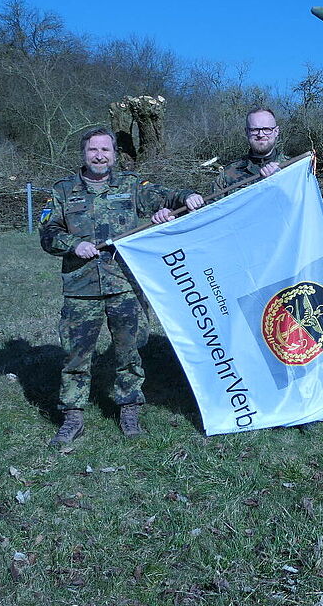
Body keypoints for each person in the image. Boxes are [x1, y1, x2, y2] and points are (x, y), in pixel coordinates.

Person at [40, 127, 204, 446]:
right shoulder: (63, 191)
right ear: (83, 153)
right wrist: (73, 245)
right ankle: (73, 416)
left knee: (130, 350)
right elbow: (47, 234)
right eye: (93, 150)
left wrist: (186, 197)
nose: (99, 156)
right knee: (76, 355)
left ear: (114, 154)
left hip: (124, 284)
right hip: (81, 287)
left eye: (106, 150)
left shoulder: (129, 186)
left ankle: (129, 408)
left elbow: (165, 196)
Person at [213, 107, 289, 193]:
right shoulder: (227, 174)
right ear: (246, 132)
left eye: (267, 129)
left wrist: (283, 180)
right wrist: (195, 199)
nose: (260, 134)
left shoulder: (295, 168)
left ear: (276, 131)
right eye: (254, 130)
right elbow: (213, 205)